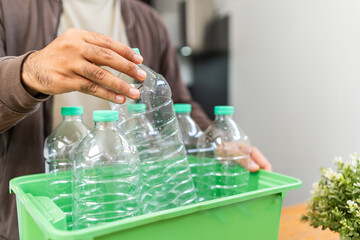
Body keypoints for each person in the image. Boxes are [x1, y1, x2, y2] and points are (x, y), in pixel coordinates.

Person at [0, 0, 271, 239]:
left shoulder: (147, 20)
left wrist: (217, 141)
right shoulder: (10, 8)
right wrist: (29, 72)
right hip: (43, 222)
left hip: (135, 213)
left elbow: (177, 106)